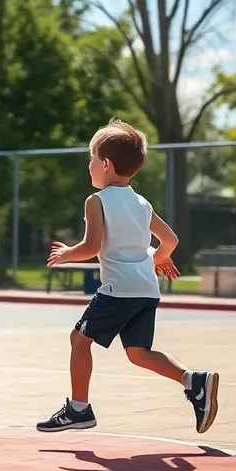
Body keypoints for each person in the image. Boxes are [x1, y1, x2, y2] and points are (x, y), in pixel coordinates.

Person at [37, 120, 220, 436]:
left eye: (92, 159)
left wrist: (67, 253)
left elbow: (93, 246)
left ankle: (78, 409)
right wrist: (155, 260)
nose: (89, 166)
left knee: (79, 340)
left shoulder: (96, 201)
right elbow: (171, 240)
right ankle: (194, 380)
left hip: (118, 289)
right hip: (147, 290)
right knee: (138, 353)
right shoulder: (142, 203)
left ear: (106, 165)